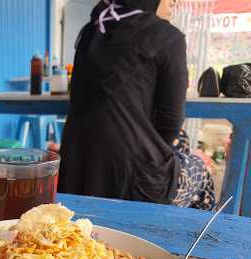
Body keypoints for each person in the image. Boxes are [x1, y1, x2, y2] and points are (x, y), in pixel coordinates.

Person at [58, 0, 215, 210]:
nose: (174, 3)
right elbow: (171, 121)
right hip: (133, 181)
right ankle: (182, 239)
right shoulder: (167, 37)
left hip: (77, 169)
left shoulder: (91, 31)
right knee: (202, 173)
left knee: (182, 142)